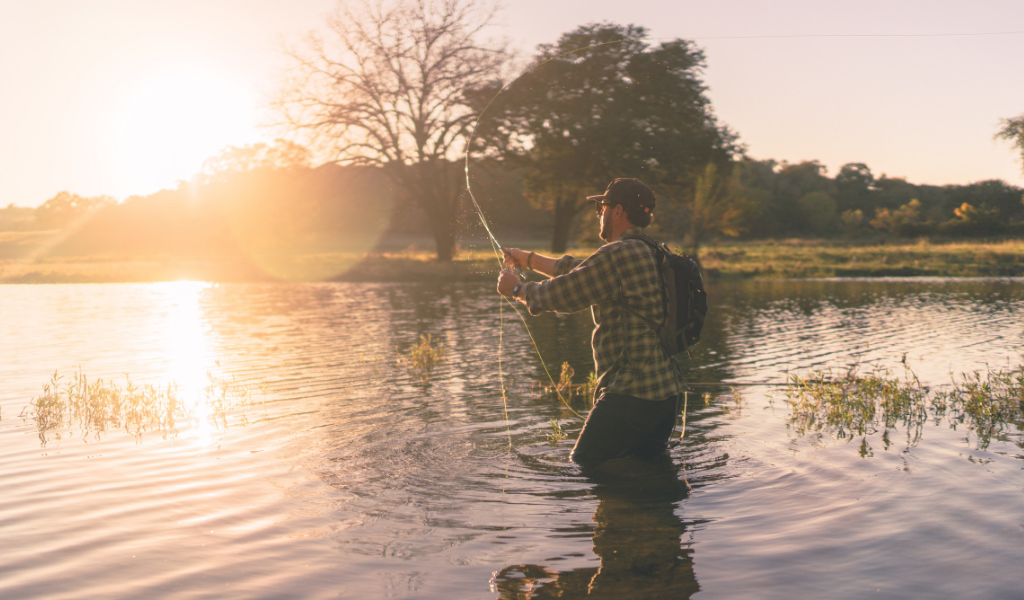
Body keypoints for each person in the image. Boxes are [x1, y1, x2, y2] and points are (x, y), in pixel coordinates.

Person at [497, 178, 683, 465]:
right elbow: (579, 271)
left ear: (618, 211)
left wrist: (517, 290)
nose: (599, 214)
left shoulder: (617, 253)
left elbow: (565, 294)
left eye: (602, 207)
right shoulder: (650, 250)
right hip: (665, 398)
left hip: (630, 396)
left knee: (585, 465)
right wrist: (528, 259)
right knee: (649, 473)